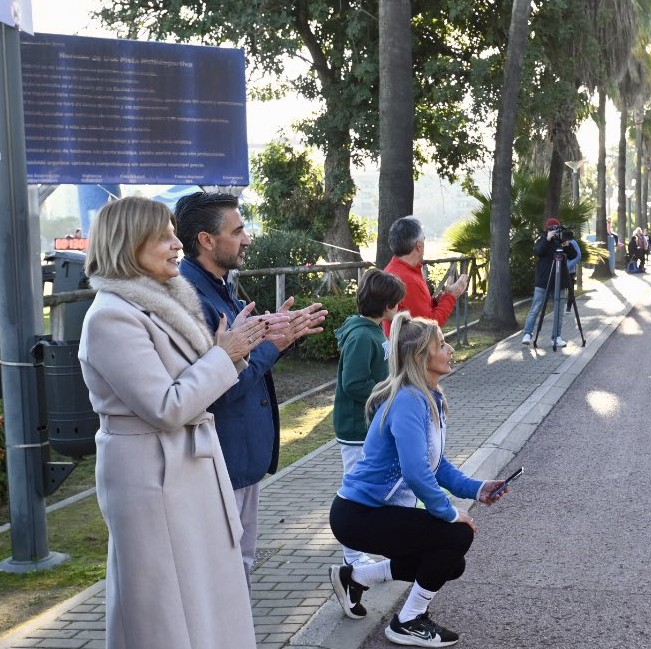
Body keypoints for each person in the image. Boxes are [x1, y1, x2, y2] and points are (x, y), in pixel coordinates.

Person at [79, 196, 275, 649]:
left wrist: (238, 349)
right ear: (130, 245)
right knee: (164, 608)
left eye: (174, 233)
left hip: (184, 471)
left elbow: (194, 381)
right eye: (164, 236)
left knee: (202, 600)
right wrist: (227, 355)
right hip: (153, 477)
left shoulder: (160, 303)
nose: (176, 245)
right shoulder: (111, 316)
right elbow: (166, 406)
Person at [175, 191, 328, 585]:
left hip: (241, 457)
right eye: (238, 230)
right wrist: (274, 345)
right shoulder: (192, 297)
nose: (247, 239)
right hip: (225, 457)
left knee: (239, 564)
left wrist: (269, 331)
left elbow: (236, 357)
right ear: (207, 241)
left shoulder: (219, 287)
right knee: (228, 571)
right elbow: (220, 384)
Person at [328, 313, 507, 645]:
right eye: (442, 344)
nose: (450, 349)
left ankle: (355, 577)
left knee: (450, 562)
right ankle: (407, 621)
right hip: (357, 515)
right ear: (422, 356)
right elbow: (415, 472)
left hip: (371, 513)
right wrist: (451, 512)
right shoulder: (409, 400)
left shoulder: (429, 397)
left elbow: (435, 465)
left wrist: (478, 489)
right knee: (454, 538)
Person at [333, 268, 407, 567]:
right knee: (355, 492)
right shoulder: (363, 336)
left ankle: (374, 547)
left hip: (370, 426)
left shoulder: (374, 330)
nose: (400, 308)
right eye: (397, 303)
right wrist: (389, 394)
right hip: (356, 429)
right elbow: (354, 384)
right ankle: (351, 557)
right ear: (387, 306)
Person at [384, 216, 469, 336]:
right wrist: (451, 296)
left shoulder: (400, 269)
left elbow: (417, 311)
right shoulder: (406, 279)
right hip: (409, 352)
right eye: (424, 239)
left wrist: (438, 301)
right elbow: (428, 326)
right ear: (419, 245)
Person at [521, 217, 579, 347]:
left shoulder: (561, 241)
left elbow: (573, 255)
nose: (554, 231)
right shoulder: (542, 239)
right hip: (543, 280)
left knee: (559, 310)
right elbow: (538, 251)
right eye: (552, 229)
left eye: (556, 229)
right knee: (536, 308)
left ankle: (556, 337)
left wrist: (567, 244)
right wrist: (547, 239)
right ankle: (527, 334)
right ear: (547, 229)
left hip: (560, 281)